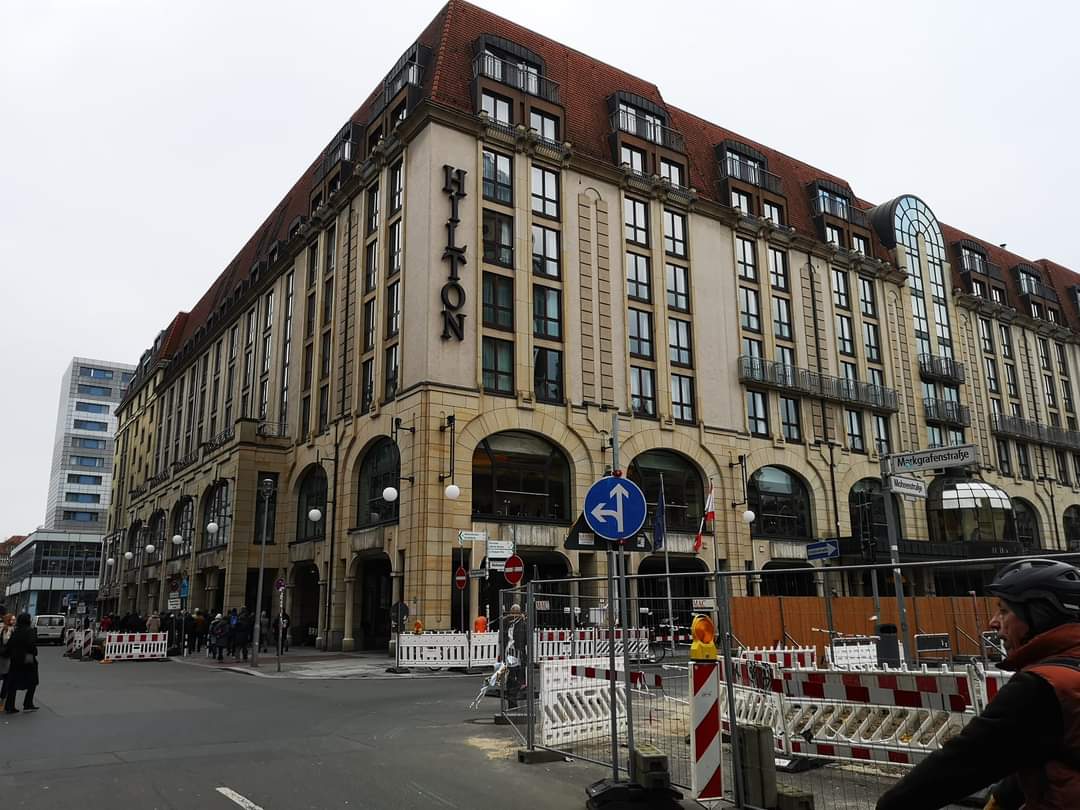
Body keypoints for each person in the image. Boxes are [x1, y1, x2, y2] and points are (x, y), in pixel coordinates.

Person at [877, 558, 1080, 810]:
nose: (993, 622)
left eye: (1004, 611)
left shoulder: (1040, 687)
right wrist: (1004, 797)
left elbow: (966, 760)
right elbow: (1045, 746)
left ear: (1040, 616)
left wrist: (890, 805)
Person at [4, 613, 39, 714]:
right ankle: (28, 703)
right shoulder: (30, 631)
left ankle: (10, 706)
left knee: (13, 683)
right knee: (33, 681)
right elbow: (32, 645)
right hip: (27, 659)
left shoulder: (16, 631)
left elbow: (9, 645)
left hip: (15, 660)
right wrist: (34, 652)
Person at [499, 604, 528, 709]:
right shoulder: (511, 623)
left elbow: (525, 640)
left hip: (514, 652)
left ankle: (512, 698)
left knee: (514, 676)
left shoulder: (519, 623)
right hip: (512, 652)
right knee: (514, 676)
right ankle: (512, 699)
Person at [0, 613, 15, 702]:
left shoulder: (2, 627)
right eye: (12, 619)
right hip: (5, 656)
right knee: (6, 677)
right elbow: (6, 641)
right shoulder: (8, 629)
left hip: (2, 655)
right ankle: (3, 697)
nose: (14, 621)